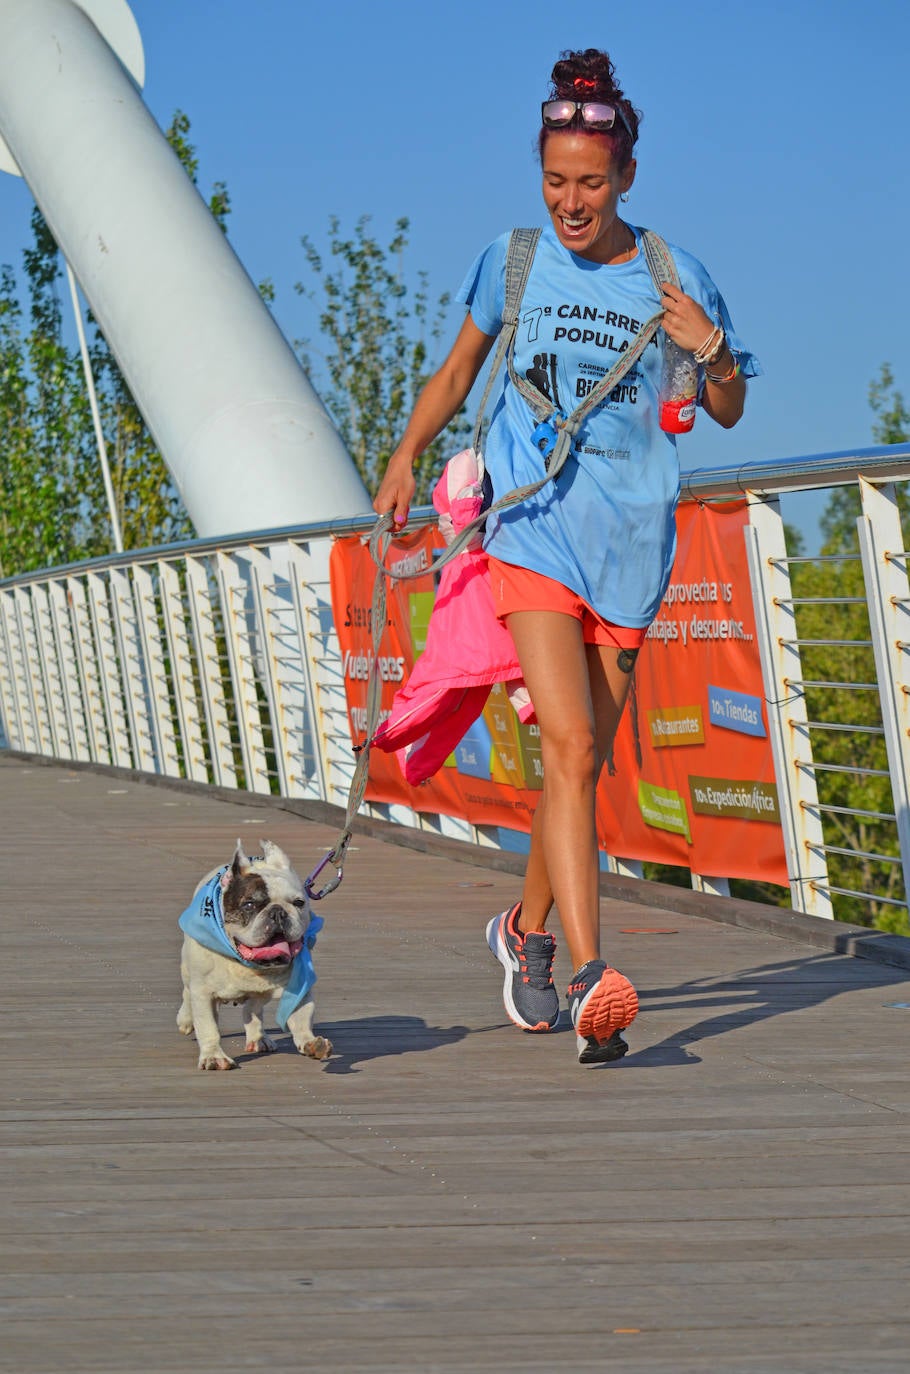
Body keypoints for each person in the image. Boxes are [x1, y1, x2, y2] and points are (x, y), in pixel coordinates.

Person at [373, 47, 759, 1065]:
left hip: (631, 544)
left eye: (590, 182)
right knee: (570, 749)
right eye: (554, 181)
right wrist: (407, 454)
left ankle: (525, 934)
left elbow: (721, 409)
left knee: (577, 774)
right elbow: (457, 370)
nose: (570, 203)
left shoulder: (674, 275)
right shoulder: (511, 262)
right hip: (531, 530)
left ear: (627, 174)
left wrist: (709, 347)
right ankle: (594, 977)